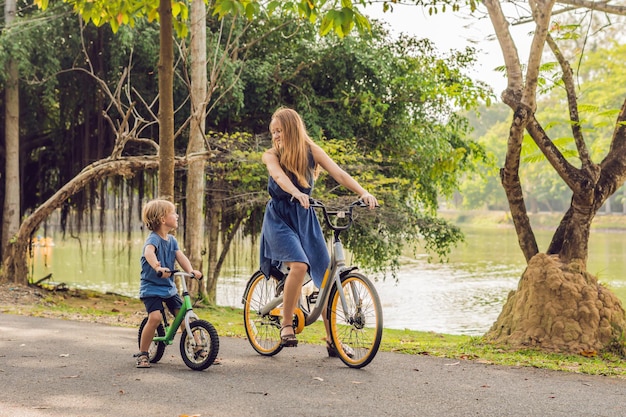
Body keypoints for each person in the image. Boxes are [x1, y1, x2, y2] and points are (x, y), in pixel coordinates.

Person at [259, 107, 378, 355]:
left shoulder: (311, 151)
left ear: (292, 129)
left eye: (279, 131)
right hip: (280, 217)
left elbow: (339, 173)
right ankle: (286, 324)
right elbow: (279, 178)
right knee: (300, 266)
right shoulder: (270, 155)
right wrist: (295, 192)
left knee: (326, 277)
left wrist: (363, 192)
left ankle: (332, 339)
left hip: (305, 216)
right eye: (273, 132)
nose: (276, 137)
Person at [135, 199, 203, 368]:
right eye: (173, 213)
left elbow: (180, 256)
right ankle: (143, 353)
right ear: (163, 219)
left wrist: (191, 270)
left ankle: (199, 349)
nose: (177, 215)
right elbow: (148, 252)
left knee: (184, 315)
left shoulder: (172, 240)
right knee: (155, 317)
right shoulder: (154, 239)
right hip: (151, 288)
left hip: (168, 288)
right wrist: (158, 266)